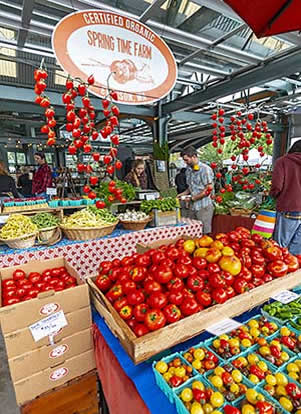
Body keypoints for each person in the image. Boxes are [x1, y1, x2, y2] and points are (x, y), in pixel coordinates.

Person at [270, 139, 301, 255]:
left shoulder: (283, 161)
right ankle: (295, 273)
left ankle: (281, 273)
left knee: (279, 249)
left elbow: (277, 186)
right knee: (297, 252)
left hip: (289, 208)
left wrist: (273, 195)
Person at [178, 147, 215, 234]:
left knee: (204, 233)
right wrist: (182, 194)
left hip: (204, 206)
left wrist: (193, 198)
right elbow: (191, 187)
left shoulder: (205, 169)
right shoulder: (188, 170)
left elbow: (208, 189)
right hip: (193, 206)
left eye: (186, 160)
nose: (185, 162)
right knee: (193, 232)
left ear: (194, 156)